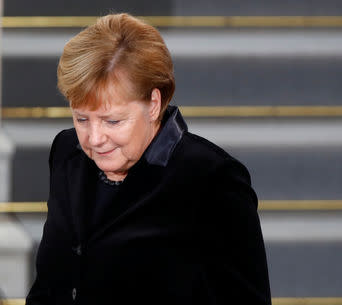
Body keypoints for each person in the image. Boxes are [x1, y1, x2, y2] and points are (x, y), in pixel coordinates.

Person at [26, 13, 271, 305]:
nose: (93, 138)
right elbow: (50, 283)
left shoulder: (212, 180)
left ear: (153, 104)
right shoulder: (67, 152)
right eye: (81, 118)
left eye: (112, 121)